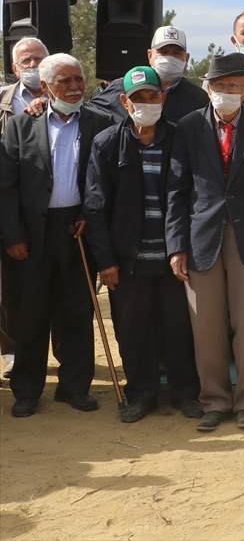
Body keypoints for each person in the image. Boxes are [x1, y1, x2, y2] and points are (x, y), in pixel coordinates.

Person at [166, 53, 244, 432]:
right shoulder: (188, 127)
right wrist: (176, 246)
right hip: (200, 238)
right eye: (220, 86)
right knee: (206, 326)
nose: (228, 92)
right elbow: (177, 190)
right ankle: (215, 401)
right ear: (208, 88)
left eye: (235, 86)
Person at [84, 66, 202, 423]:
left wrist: (181, 248)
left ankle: (186, 394)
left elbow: (188, 196)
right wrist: (106, 260)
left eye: (153, 96)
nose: (147, 103)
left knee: (180, 330)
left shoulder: (180, 138)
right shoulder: (106, 143)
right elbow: (95, 206)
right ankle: (140, 395)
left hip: (173, 258)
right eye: (138, 98)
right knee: (133, 331)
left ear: (163, 98)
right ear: (124, 101)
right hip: (127, 260)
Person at [2, 53, 110, 417]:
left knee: (77, 310)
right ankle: (27, 390)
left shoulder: (99, 123)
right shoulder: (21, 125)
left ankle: (74, 387)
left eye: (79, 79)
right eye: (66, 81)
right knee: (31, 313)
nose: (76, 87)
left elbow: (104, 181)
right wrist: (13, 234)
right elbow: (7, 186)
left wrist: (88, 216)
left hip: (78, 230)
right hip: (33, 233)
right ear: (46, 87)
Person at [0, 37, 50, 374]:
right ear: (15, 68)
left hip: (50, 208)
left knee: (55, 290)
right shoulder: (3, 101)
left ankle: (61, 354)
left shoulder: (65, 97)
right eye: (26, 61)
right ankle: (13, 355)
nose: (33, 65)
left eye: (39, 59)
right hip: (8, 205)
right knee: (9, 289)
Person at [87, 26, 209, 126]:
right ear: (150, 55)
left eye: (176, 53)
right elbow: (86, 114)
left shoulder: (199, 99)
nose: (169, 58)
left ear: (186, 58)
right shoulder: (122, 86)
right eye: (163, 52)